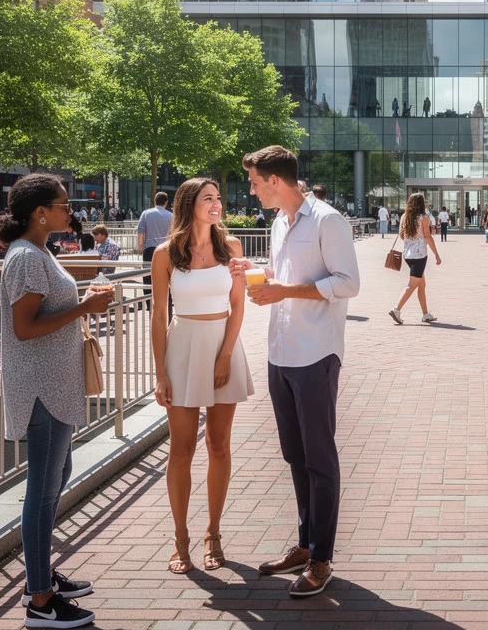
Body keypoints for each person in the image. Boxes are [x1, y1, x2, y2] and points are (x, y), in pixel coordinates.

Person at [229, 146, 359, 597]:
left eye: (254, 181)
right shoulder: (280, 222)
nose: (251, 189)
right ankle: (305, 544)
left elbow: (348, 283)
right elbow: (286, 277)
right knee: (294, 456)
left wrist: (286, 290)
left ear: (275, 182)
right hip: (281, 353)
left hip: (315, 354)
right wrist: (258, 271)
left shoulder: (327, 220)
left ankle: (322, 558)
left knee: (320, 459)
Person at [0, 174, 114, 629]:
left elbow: (43, 312)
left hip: (53, 381)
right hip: (41, 386)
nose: (73, 211)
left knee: (56, 475)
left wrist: (82, 301)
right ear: (40, 212)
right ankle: (39, 598)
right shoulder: (27, 257)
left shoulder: (39, 251)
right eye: (65, 205)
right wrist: (85, 309)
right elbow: (24, 327)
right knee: (42, 491)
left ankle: (40, 575)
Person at [151, 179, 253, 574]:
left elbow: (238, 305)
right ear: (189, 205)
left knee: (219, 445)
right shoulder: (165, 254)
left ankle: (214, 533)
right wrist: (160, 373)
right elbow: (159, 318)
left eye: (218, 198)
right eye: (207, 198)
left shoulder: (232, 250)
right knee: (181, 450)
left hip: (222, 344)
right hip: (182, 349)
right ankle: (180, 539)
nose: (216, 204)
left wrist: (226, 354)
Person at [389, 193, 441, 324]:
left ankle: (426, 314)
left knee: (421, 284)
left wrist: (411, 240)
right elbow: (428, 236)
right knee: (412, 285)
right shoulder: (424, 217)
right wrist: (436, 254)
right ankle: (396, 309)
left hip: (407, 254)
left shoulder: (404, 216)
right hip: (419, 255)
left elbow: (401, 235)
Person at [137, 192, 174, 287]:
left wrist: (140, 247)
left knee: (147, 274)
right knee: (165, 275)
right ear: (166, 202)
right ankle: (166, 299)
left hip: (149, 248)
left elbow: (141, 231)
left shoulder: (145, 214)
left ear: (155, 201)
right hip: (165, 249)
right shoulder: (171, 216)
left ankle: (148, 298)